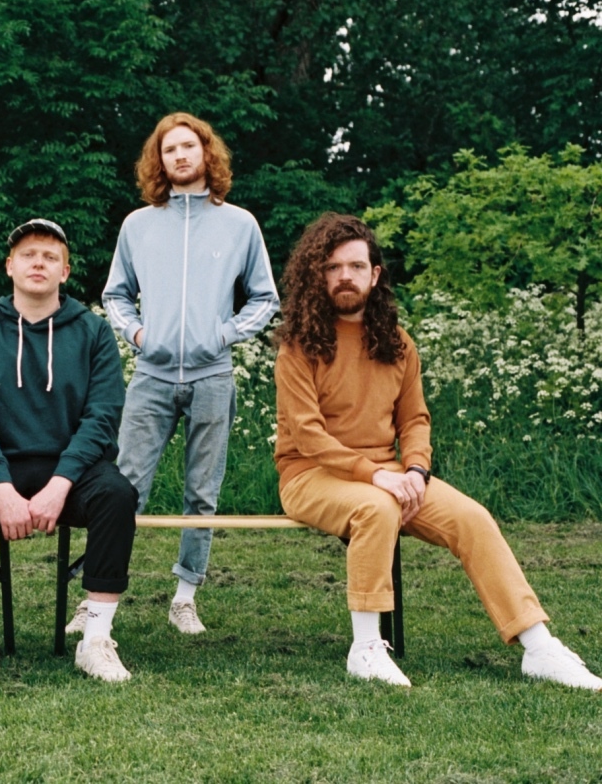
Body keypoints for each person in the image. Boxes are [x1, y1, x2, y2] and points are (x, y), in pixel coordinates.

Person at [273, 212, 602, 690]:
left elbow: (414, 421)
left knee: (472, 518)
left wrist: (416, 471)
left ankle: (539, 647)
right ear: (317, 275)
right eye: (333, 267)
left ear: (375, 274)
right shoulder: (298, 347)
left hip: (389, 473)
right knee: (375, 508)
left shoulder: (397, 343)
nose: (345, 276)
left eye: (356, 266)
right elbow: (308, 435)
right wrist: (377, 476)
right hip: (310, 475)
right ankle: (366, 649)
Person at [0, 218, 139, 686]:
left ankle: (96, 640)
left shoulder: (93, 332)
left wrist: (60, 484)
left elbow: (102, 417)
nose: (38, 263)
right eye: (28, 255)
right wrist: (1, 487)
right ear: (10, 266)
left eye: (50, 256)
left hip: (72, 469)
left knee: (117, 495)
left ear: (65, 271)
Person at [99, 112, 278, 635]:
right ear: (158, 161)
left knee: (203, 492)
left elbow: (265, 297)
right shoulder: (138, 225)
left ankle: (184, 596)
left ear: (207, 153)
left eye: (188, 146)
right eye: (169, 149)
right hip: (150, 377)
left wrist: (223, 334)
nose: (179, 155)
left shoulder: (239, 224)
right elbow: (115, 294)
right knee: (124, 487)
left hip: (212, 376)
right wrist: (138, 335)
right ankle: (97, 597)